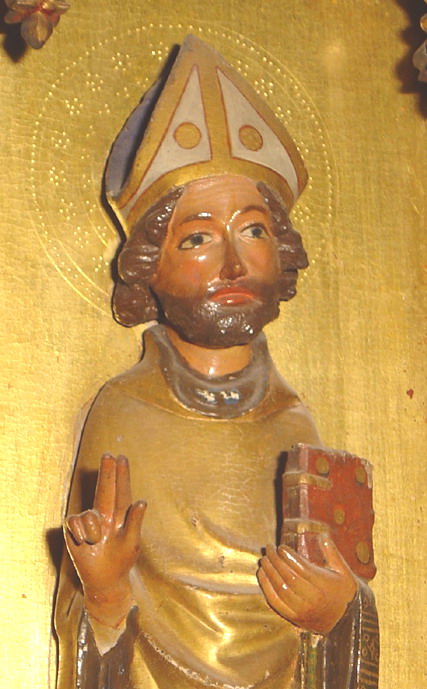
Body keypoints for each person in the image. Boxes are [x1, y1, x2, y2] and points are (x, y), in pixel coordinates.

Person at [55, 36, 379, 689]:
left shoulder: (294, 423)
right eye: (198, 237)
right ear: (149, 263)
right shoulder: (124, 412)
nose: (232, 263)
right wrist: (105, 595)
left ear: (282, 252)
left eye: (253, 230)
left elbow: (334, 604)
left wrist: (338, 615)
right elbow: (81, 611)